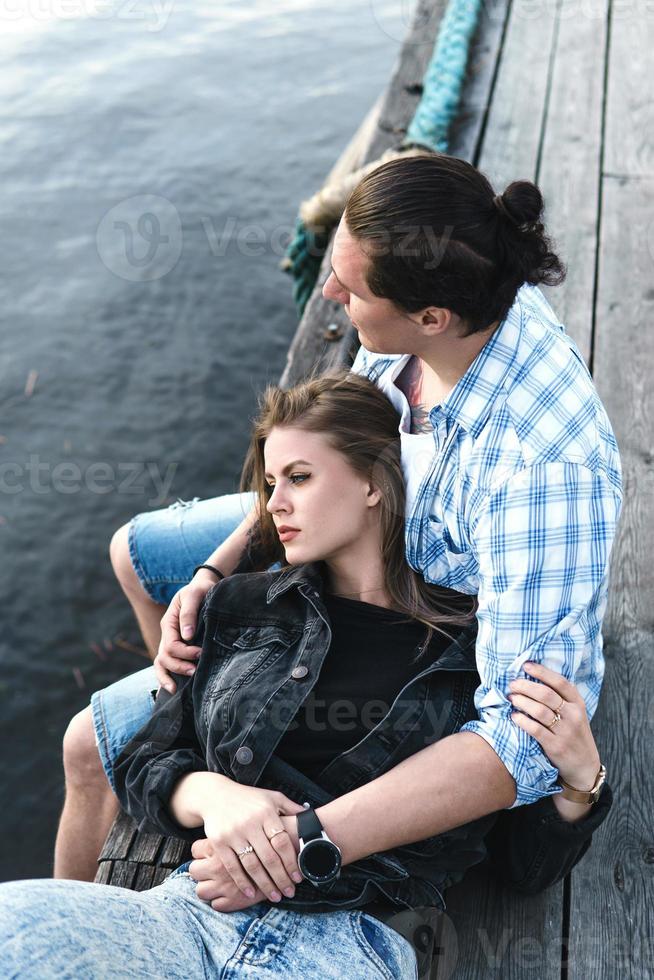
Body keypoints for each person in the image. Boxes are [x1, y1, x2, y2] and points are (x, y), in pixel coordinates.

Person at [54, 154, 621, 883]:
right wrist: (213, 574)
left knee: (83, 749)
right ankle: (191, 697)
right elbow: (329, 448)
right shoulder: (444, 303)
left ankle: (173, 752)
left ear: (430, 318)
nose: (328, 293)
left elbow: (521, 738)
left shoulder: (544, 472)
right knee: (136, 557)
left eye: (349, 292)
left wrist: (300, 843)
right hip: (353, 517)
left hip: (390, 615)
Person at [1, 373, 612, 979]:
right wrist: (218, 798)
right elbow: (148, 758)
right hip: (190, 912)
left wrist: (581, 785)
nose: (273, 505)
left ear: (374, 483)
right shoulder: (243, 607)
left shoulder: (470, 656)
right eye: (270, 483)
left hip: (350, 944)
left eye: (299, 478)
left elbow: (521, 868)